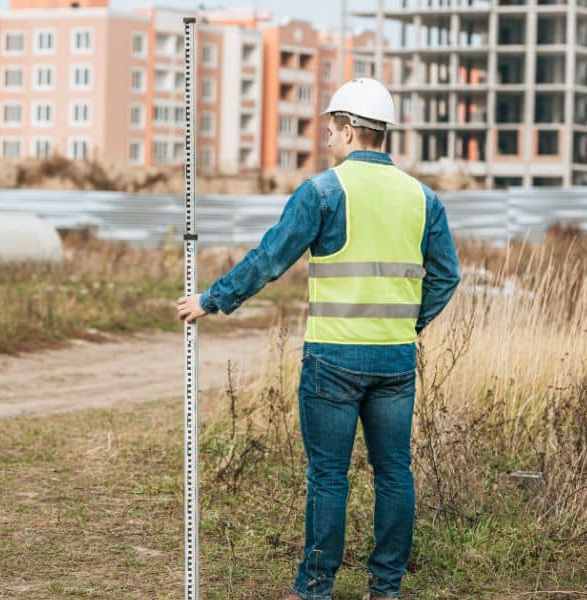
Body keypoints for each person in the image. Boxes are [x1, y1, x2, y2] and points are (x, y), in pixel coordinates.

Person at [177, 78, 461, 600]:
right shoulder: (424, 199)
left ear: (350, 130)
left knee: (329, 477)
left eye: (331, 130)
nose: (328, 139)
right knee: (394, 473)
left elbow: (270, 258)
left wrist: (211, 299)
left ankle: (314, 589)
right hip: (394, 359)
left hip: (332, 359)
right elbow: (446, 277)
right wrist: (409, 324)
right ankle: (386, 588)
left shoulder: (323, 191)